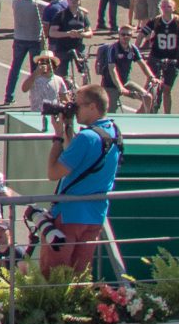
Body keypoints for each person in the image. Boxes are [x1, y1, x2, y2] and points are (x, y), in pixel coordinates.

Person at [39, 85, 120, 273]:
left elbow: (53, 173)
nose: (74, 110)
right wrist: (68, 127)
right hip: (95, 214)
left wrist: (58, 138)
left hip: (70, 214)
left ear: (92, 107)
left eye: (78, 105)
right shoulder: (113, 132)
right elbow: (78, 154)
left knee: (54, 274)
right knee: (80, 274)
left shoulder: (86, 138)